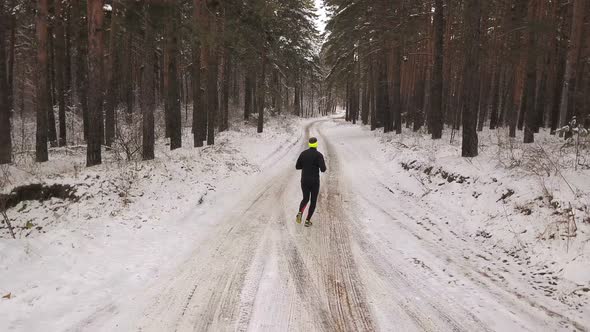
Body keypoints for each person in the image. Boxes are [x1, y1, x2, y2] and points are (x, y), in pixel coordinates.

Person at [295, 137, 327, 227]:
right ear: (316, 144)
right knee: (313, 201)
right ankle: (307, 221)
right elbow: (323, 169)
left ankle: (300, 212)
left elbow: (297, 166)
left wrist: (305, 166)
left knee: (305, 198)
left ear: (309, 144)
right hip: (314, 182)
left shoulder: (303, 154)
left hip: (304, 180)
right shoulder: (319, 155)